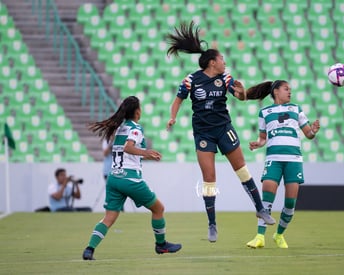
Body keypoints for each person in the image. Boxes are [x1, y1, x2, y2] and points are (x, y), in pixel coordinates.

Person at [165, 21, 275, 243]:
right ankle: (212, 224)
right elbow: (178, 100)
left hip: (224, 129)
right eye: (222, 58)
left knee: (242, 170)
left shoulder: (225, 78)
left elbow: (240, 97)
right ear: (213, 62)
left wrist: (243, 92)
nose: (225, 62)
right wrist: (173, 116)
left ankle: (260, 209)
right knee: (209, 179)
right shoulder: (191, 80)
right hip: (203, 133)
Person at [81, 96, 181, 260]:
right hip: (130, 179)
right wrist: (146, 153)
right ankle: (161, 245)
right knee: (158, 209)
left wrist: (143, 154)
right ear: (137, 112)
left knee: (109, 218)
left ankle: (89, 249)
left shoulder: (119, 128)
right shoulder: (136, 128)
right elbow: (128, 147)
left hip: (114, 178)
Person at [234, 80, 320, 249]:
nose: (290, 92)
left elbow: (308, 133)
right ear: (276, 92)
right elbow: (263, 138)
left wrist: (313, 131)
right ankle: (259, 236)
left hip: (294, 160)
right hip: (273, 159)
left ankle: (279, 235)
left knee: (290, 203)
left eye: (290, 90)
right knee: (266, 198)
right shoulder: (265, 112)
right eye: (286, 89)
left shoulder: (296, 109)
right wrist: (258, 144)